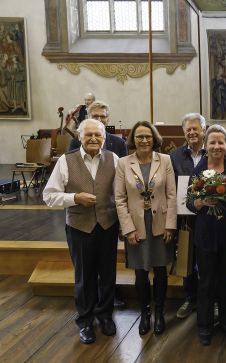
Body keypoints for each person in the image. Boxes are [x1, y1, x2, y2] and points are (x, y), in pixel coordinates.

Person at [43, 119, 119, 344]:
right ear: (79, 137)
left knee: (107, 275)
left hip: (108, 225)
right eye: (89, 135)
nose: (94, 138)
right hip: (79, 227)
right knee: (84, 277)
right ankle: (85, 321)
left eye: (98, 135)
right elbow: (49, 196)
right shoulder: (66, 162)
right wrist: (74, 198)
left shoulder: (113, 159)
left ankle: (105, 316)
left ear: (104, 138)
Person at [115, 121, 177, 336]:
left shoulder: (165, 160)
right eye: (139, 136)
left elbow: (171, 194)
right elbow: (120, 199)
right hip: (136, 226)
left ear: (154, 139)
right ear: (133, 139)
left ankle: (159, 313)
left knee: (160, 271)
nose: (144, 140)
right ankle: (145, 312)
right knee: (141, 273)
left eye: (148, 136)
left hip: (160, 223)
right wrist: (128, 229)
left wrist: (171, 224)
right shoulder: (123, 163)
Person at [69, 100, 128, 310]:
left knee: (107, 267)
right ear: (87, 119)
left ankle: (107, 307)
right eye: (95, 116)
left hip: (108, 217)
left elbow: (123, 181)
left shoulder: (118, 144)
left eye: (103, 117)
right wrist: (75, 198)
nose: (99, 120)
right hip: (81, 220)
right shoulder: (77, 143)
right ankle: (86, 311)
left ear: (108, 120)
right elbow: (67, 176)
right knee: (85, 271)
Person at [186, 125, 226, 346]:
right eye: (212, 142)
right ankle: (205, 325)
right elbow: (189, 203)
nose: (217, 146)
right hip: (205, 235)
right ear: (206, 145)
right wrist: (201, 202)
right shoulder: (197, 171)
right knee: (206, 281)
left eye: (221, 142)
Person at [169, 113, 206, 319]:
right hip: (185, 218)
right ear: (184, 133)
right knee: (186, 260)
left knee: (208, 261)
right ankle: (190, 298)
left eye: (195, 129)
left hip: (209, 216)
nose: (192, 132)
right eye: (188, 130)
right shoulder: (174, 156)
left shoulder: (214, 151)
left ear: (203, 130)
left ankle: (212, 299)